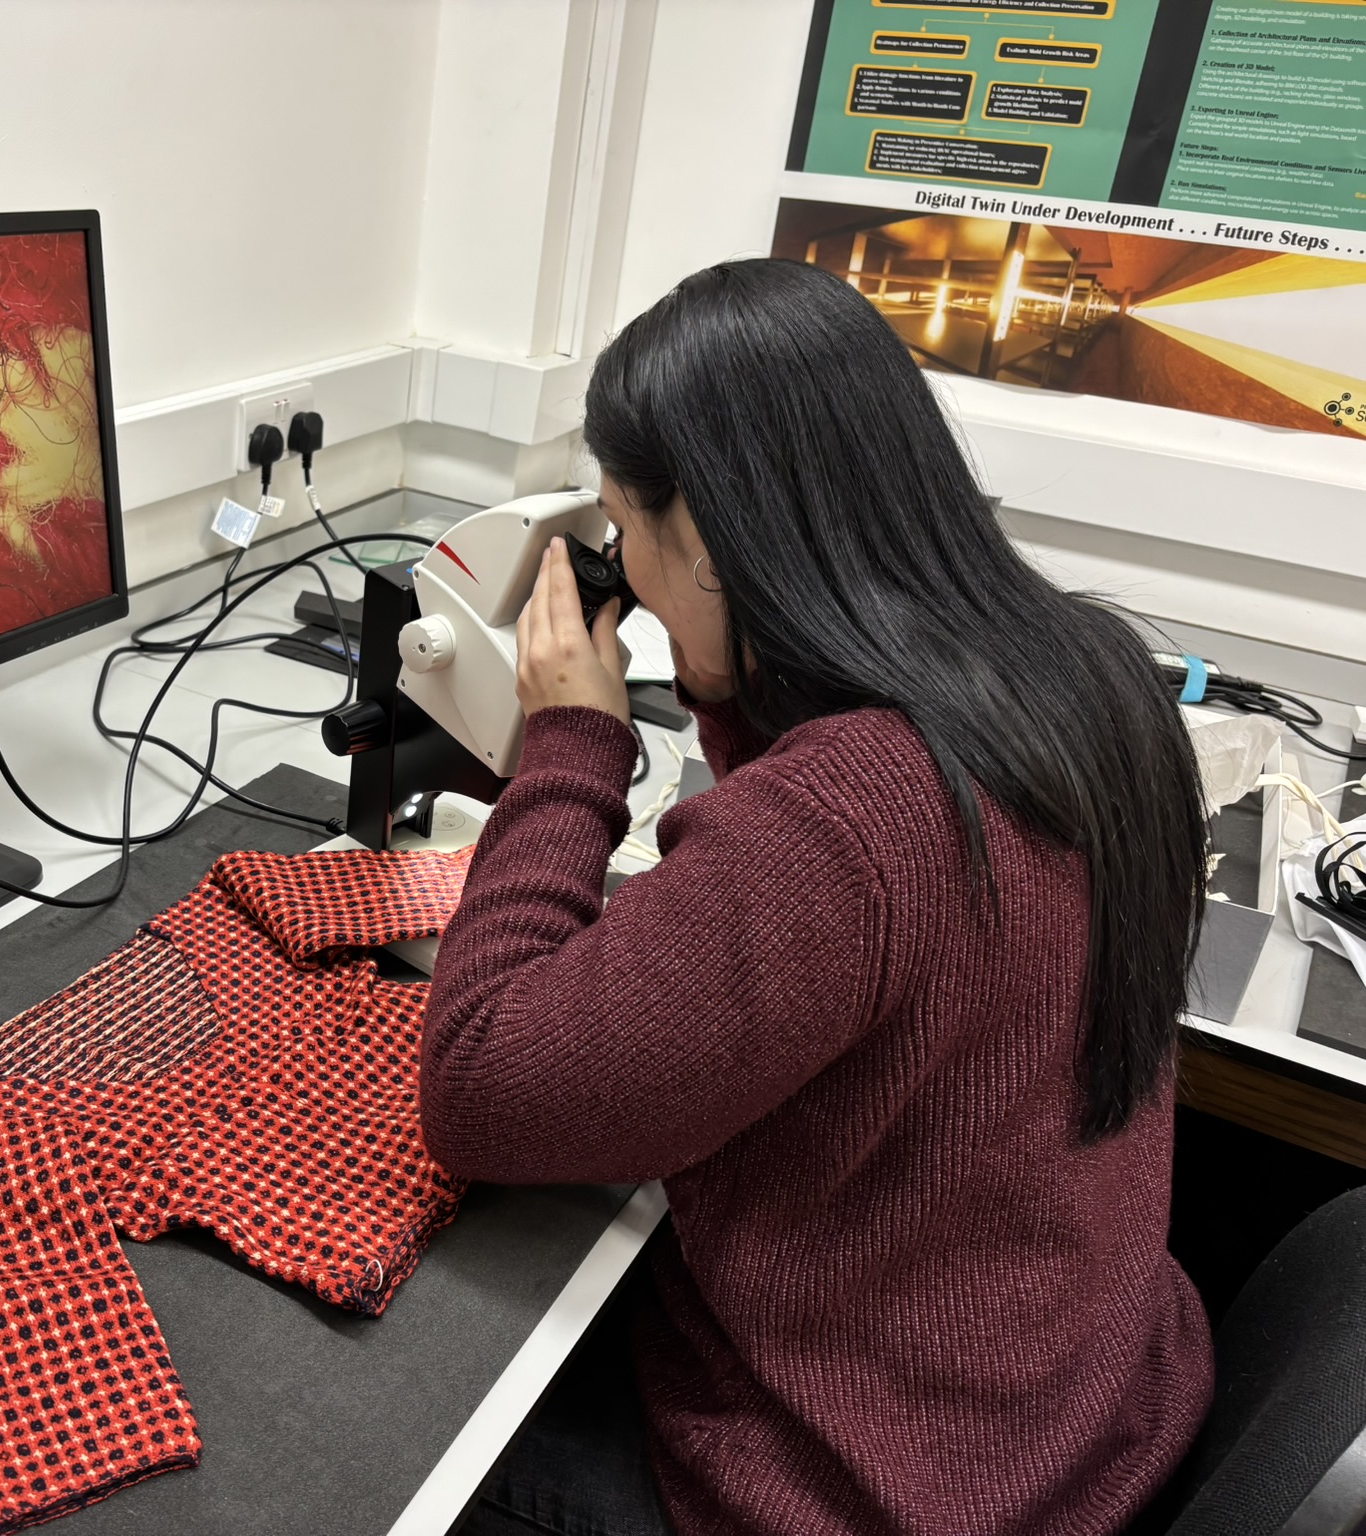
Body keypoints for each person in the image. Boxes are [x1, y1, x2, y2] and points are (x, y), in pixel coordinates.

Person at [422, 258, 1213, 1536]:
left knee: (398, 1421)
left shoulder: (845, 823)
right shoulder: (1089, 674)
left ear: (721, 544)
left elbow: (479, 1088)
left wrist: (571, 741)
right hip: (1077, 1423)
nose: (619, 563)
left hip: (865, 1490)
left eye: (628, 528)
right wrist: (722, 659)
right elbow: (835, 902)